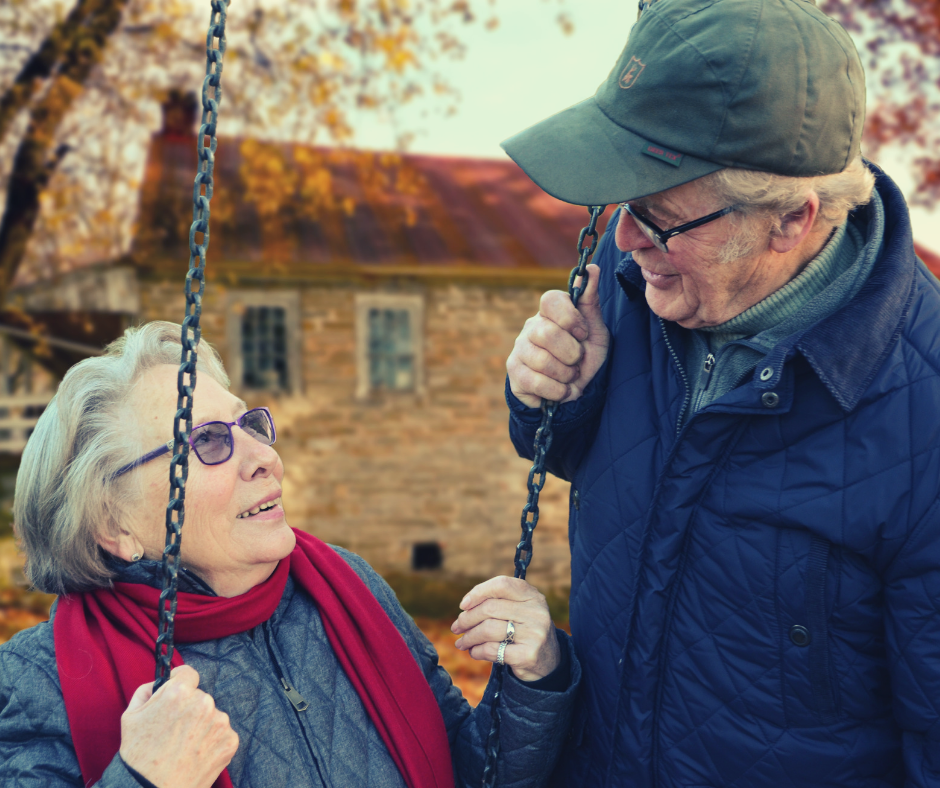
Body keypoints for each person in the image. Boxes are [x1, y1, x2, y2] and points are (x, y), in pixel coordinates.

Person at [502, 0, 940, 786]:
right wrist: (554, 397)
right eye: (622, 208)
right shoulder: (644, 275)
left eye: (660, 219)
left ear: (791, 221)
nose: (628, 242)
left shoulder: (926, 416)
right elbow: (591, 462)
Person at [0, 321, 579, 788]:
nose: (263, 457)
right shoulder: (36, 680)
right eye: (207, 441)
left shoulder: (346, 588)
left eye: (248, 424)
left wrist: (533, 679)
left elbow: (471, 771)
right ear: (112, 523)